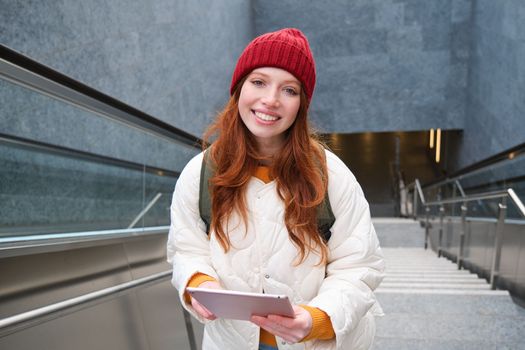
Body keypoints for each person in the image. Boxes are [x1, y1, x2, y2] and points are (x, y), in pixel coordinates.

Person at [167, 28, 384, 350]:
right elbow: (187, 248)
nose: (270, 100)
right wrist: (198, 283)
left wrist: (317, 318)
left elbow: (359, 265)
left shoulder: (331, 174)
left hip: (313, 343)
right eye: (258, 82)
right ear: (239, 89)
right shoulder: (201, 171)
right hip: (231, 339)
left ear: (301, 104)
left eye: (289, 90)